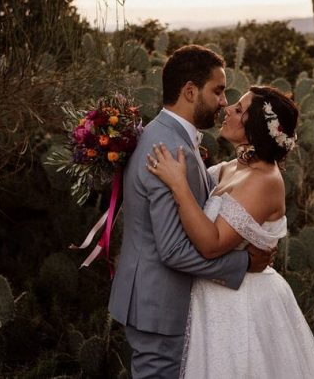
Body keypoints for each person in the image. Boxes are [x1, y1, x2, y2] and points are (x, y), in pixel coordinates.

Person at [108, 45, 273, 379]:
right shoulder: (169, 148)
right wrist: (245, 263)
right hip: (159, 308)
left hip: (155, 302)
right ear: (189, 91)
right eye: (218, 91)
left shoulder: (165, 136)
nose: (224, 102)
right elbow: (173, 251)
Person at [146, 85, 314, 378]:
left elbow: (212, 244)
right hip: (213, 295)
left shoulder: (264, 181)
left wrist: (178, 184)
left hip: (242, 306)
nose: (227, 109)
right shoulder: (233, 167)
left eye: (239, 109)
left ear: (255, 128)